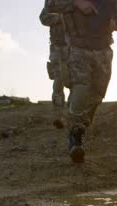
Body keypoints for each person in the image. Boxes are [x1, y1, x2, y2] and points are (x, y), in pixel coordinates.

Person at [46, 0, 117, 163]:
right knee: (81, 87)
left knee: (98, 93)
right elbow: (50, 6)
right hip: (78, 47)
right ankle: (75, 134)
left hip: (103, 48)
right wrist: (76, 2)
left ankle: (79, 126)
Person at [40, 0, 69, 129]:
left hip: (76, 46)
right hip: (57, 47)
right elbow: (44, 17)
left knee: (77, 81)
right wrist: (61, 18)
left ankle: (74, 115)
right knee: (58, 79)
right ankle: (59, 116)